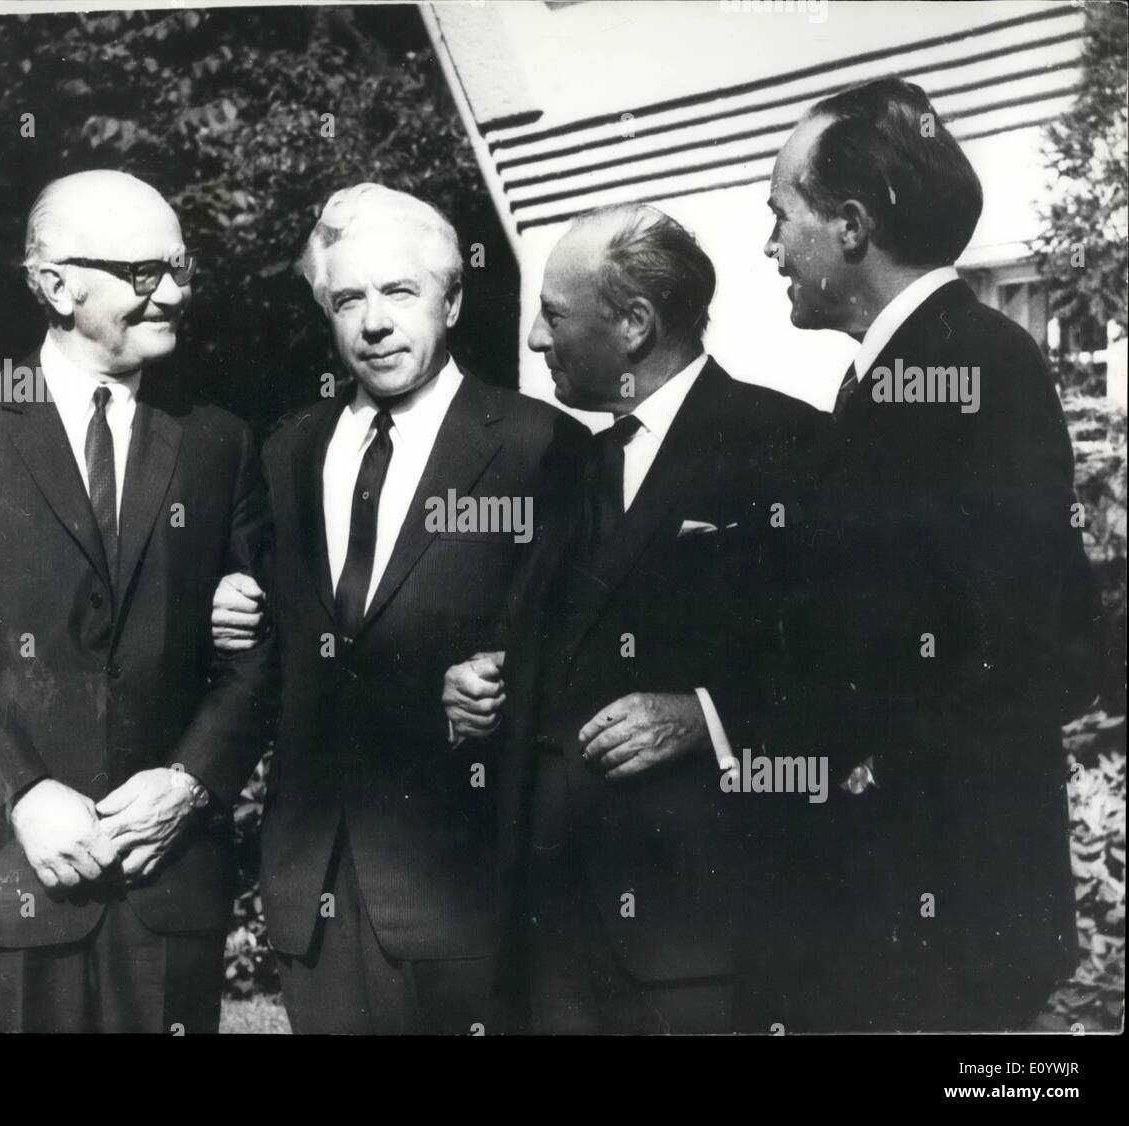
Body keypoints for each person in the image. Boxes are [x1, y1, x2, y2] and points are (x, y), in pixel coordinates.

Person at [732, 76, 1102, 1031]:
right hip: (912, 902)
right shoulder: (902, 373)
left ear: (850, 226)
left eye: (781, 216)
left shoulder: (968, 368)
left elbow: (1024, 641)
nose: (769, 247)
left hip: (940, 915)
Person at [0, 170, 268, 1033]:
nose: (170, 293)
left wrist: (190, 783)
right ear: (55, 283)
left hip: (164, 888)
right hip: (5, 879)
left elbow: (259, 648)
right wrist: (21, 792)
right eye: (140, 274)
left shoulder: (218, 441)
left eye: (180, 268)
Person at [211, 183, 586, 1034]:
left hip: (467, 878)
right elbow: (269, 626)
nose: (374, 322)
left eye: (400, 293)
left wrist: (501, 684)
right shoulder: (290, 449)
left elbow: (577, 644)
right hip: (313, 881)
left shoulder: (538, 445)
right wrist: (232, 603)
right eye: (349, 300)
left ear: (451, 299)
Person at [444, 203, 818, 1033]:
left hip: (696, 940)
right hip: (544, 924)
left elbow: (861, 670)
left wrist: (708, 717)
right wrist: (475, 682)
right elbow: (525, 638)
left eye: (553, 314)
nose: (537, 341)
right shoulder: (562, 463)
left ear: (635, 324)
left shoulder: (790, 445)